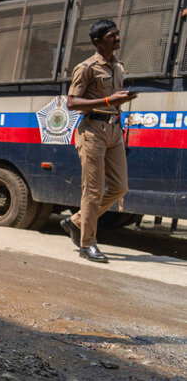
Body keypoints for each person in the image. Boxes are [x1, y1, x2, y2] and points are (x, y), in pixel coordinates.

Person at [60, 19, 137, 263]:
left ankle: (75, 222)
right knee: (92, 191)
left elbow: (115, 104)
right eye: (111, 35)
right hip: (92, 129)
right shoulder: (86, 67)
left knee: (120, 188)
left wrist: (121, 132)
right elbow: (71, 103)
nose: (117, 38)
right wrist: (107, 101)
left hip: (114, 130)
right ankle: (87, 244)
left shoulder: (118, 66)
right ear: (97, 42)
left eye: (117, 34)